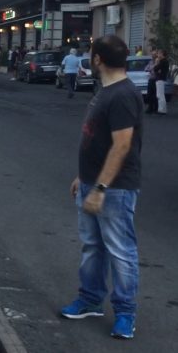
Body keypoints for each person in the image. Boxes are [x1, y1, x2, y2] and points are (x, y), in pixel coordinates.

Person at [61, 35, 143, 340]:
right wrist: (83, 177)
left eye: (91, 54)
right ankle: (91, 299)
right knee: (93, 246)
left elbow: (122, 146)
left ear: (97, 60)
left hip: (114, 189)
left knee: (120, 251)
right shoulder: (106, 91)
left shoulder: (122, 95)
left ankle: (125, 314)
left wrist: (101, 187)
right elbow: (97, 140)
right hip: (92, 182)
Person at [153, 49, 169, 115]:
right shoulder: (163, 61)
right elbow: (157, 70)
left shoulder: (163, 61)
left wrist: (157, 63)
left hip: (160, 79)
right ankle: (161, 109)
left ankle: (162, 110)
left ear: (162, 54)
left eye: (159, 53)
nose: (158, 55)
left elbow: (155, 68)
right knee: (159, 94)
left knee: (160, 95)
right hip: (160, 78)